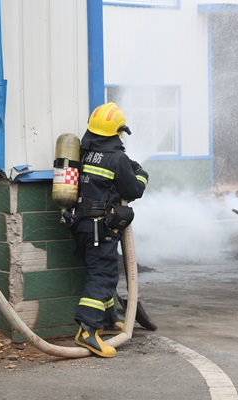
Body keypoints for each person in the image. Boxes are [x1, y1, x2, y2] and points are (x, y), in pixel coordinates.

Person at [70, 102, 148, 358]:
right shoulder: (117, 158)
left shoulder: (84, 153)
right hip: (99, 228)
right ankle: (87, 331)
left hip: (81, 224)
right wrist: (142, 174)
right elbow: (133, 190)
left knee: (102, 271)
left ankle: (107, 320)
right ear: (116, 131)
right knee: (102, 275)